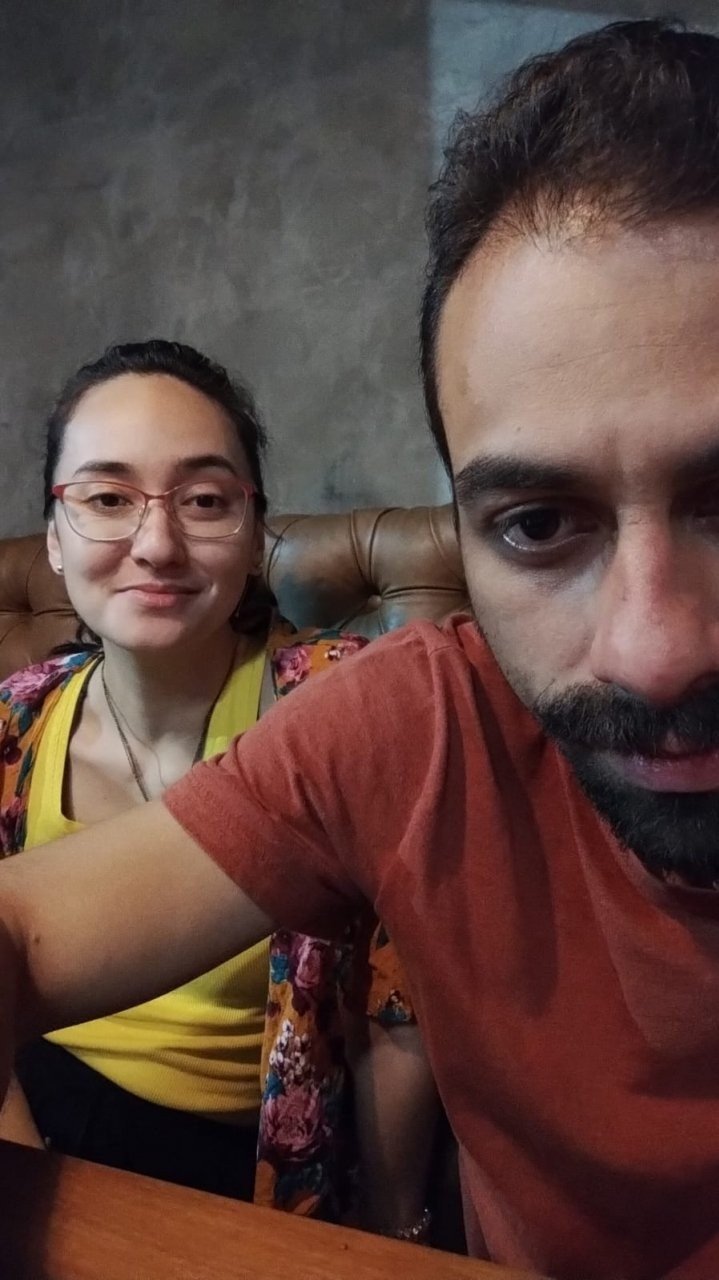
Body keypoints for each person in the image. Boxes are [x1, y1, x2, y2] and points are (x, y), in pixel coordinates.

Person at [5, 15, 719, 1277]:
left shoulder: (318, 692)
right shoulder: (417, 723)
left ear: (257, 532)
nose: (651, 647)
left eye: (204, 497)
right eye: (536, 523)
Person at [0, 339, 435, 1227]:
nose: (157, 544)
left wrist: (397, 1239)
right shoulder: (16, 717)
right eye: (108, 499)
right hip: (36, 1107)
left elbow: (397, 1018)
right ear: (53, 539)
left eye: (203, 500)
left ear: (253, 533)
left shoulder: (339, 709)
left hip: (245, 1165)